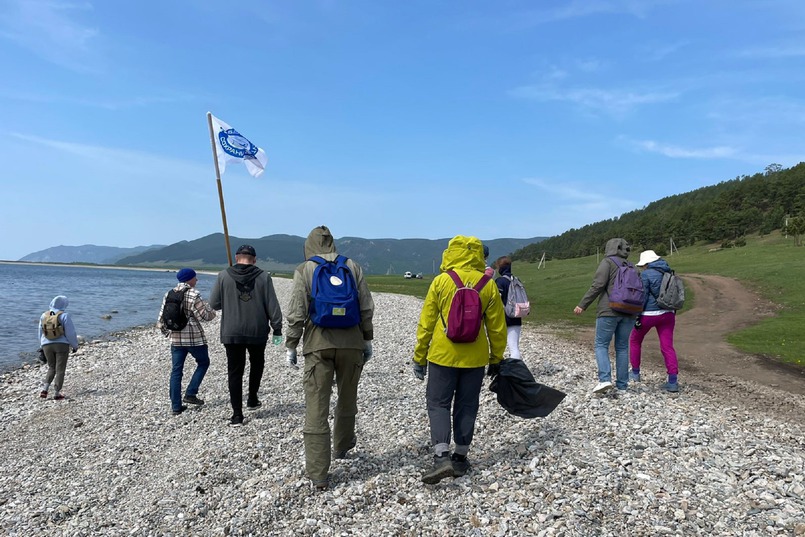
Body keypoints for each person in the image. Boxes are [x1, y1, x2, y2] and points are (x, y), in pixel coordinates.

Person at [285, 225, 375, 491]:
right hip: (352, 344)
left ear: (309, 246)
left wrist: (290, 344)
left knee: (316, 405)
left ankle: (318, 473)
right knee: (347, 398)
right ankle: (343, 447)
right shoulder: (353, 266)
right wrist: (367, 339)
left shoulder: (305, 270)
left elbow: (297, 311)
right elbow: (366, 306)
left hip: (317, 345)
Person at [412, 235, 507, 484]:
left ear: (450, 253)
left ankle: (441, 456)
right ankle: (461, 458)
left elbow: (426, 323)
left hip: (442, 356)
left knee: (438, 404)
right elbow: (497, 328)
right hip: (475, 359)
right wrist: (496, 358)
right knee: (467, 405)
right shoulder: (488, 284)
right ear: (478, 255)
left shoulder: (441, 281)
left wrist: (419, 357)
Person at [210, 245, 284, 427]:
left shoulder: (223, 276)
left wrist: (230, 297)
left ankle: (237, 415)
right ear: (254, 259)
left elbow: (214, 303)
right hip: (257, 330)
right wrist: (277, 329)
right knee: (257, 364)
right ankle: (252, 398)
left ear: (236, 258)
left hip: (231, 331)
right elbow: (272, 305)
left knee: (235, 371)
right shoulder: (264, 277)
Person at [573, 238, 637, 394]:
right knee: (622, 347)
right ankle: (622, 384)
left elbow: (598, 285)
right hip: (629, 311)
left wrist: (582, 304)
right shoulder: (632, 266)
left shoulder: (608, 262)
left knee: (601, 345)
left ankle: (605, 380)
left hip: (609, 311)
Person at [157, 268, 216, 416]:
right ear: (189, 279)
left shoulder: (169, 293)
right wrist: (213, 310)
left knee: (176, 371)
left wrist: (168, 333)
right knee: (203, 363)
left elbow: (161, 319)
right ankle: (191, 393)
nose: (196, 280)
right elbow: (205, 316)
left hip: (176, 339)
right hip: (194, 338)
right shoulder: (193, 294)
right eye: (195, 278)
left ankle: (176, 406)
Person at [629, 250, 680, 392]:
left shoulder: (645, 274)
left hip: (649, 313)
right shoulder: (669, 271)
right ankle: (672, 381)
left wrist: (637, 316)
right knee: (667, 346)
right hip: (668, 313)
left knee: (635, 340)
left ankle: (635, 373)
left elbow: (642, 296)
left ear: (646, 263)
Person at [38, 296, 79, 400]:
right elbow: (70, 333)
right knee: (60, 369)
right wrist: (75, 346)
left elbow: (40, 332)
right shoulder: (64, 315)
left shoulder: (44, 315)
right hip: (62, 345)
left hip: (46, 345)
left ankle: (45, 389)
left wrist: (41, 346)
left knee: (51, 367)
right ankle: (56, 393)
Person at [494, 256, 523, 360]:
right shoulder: (516, 280)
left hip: (504, 317)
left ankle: (513, 370)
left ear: (500, 267)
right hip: (516, 314)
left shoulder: (500, 281)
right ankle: (517, 368)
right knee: (514, 346)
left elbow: (497, 300)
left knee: (498, 346)